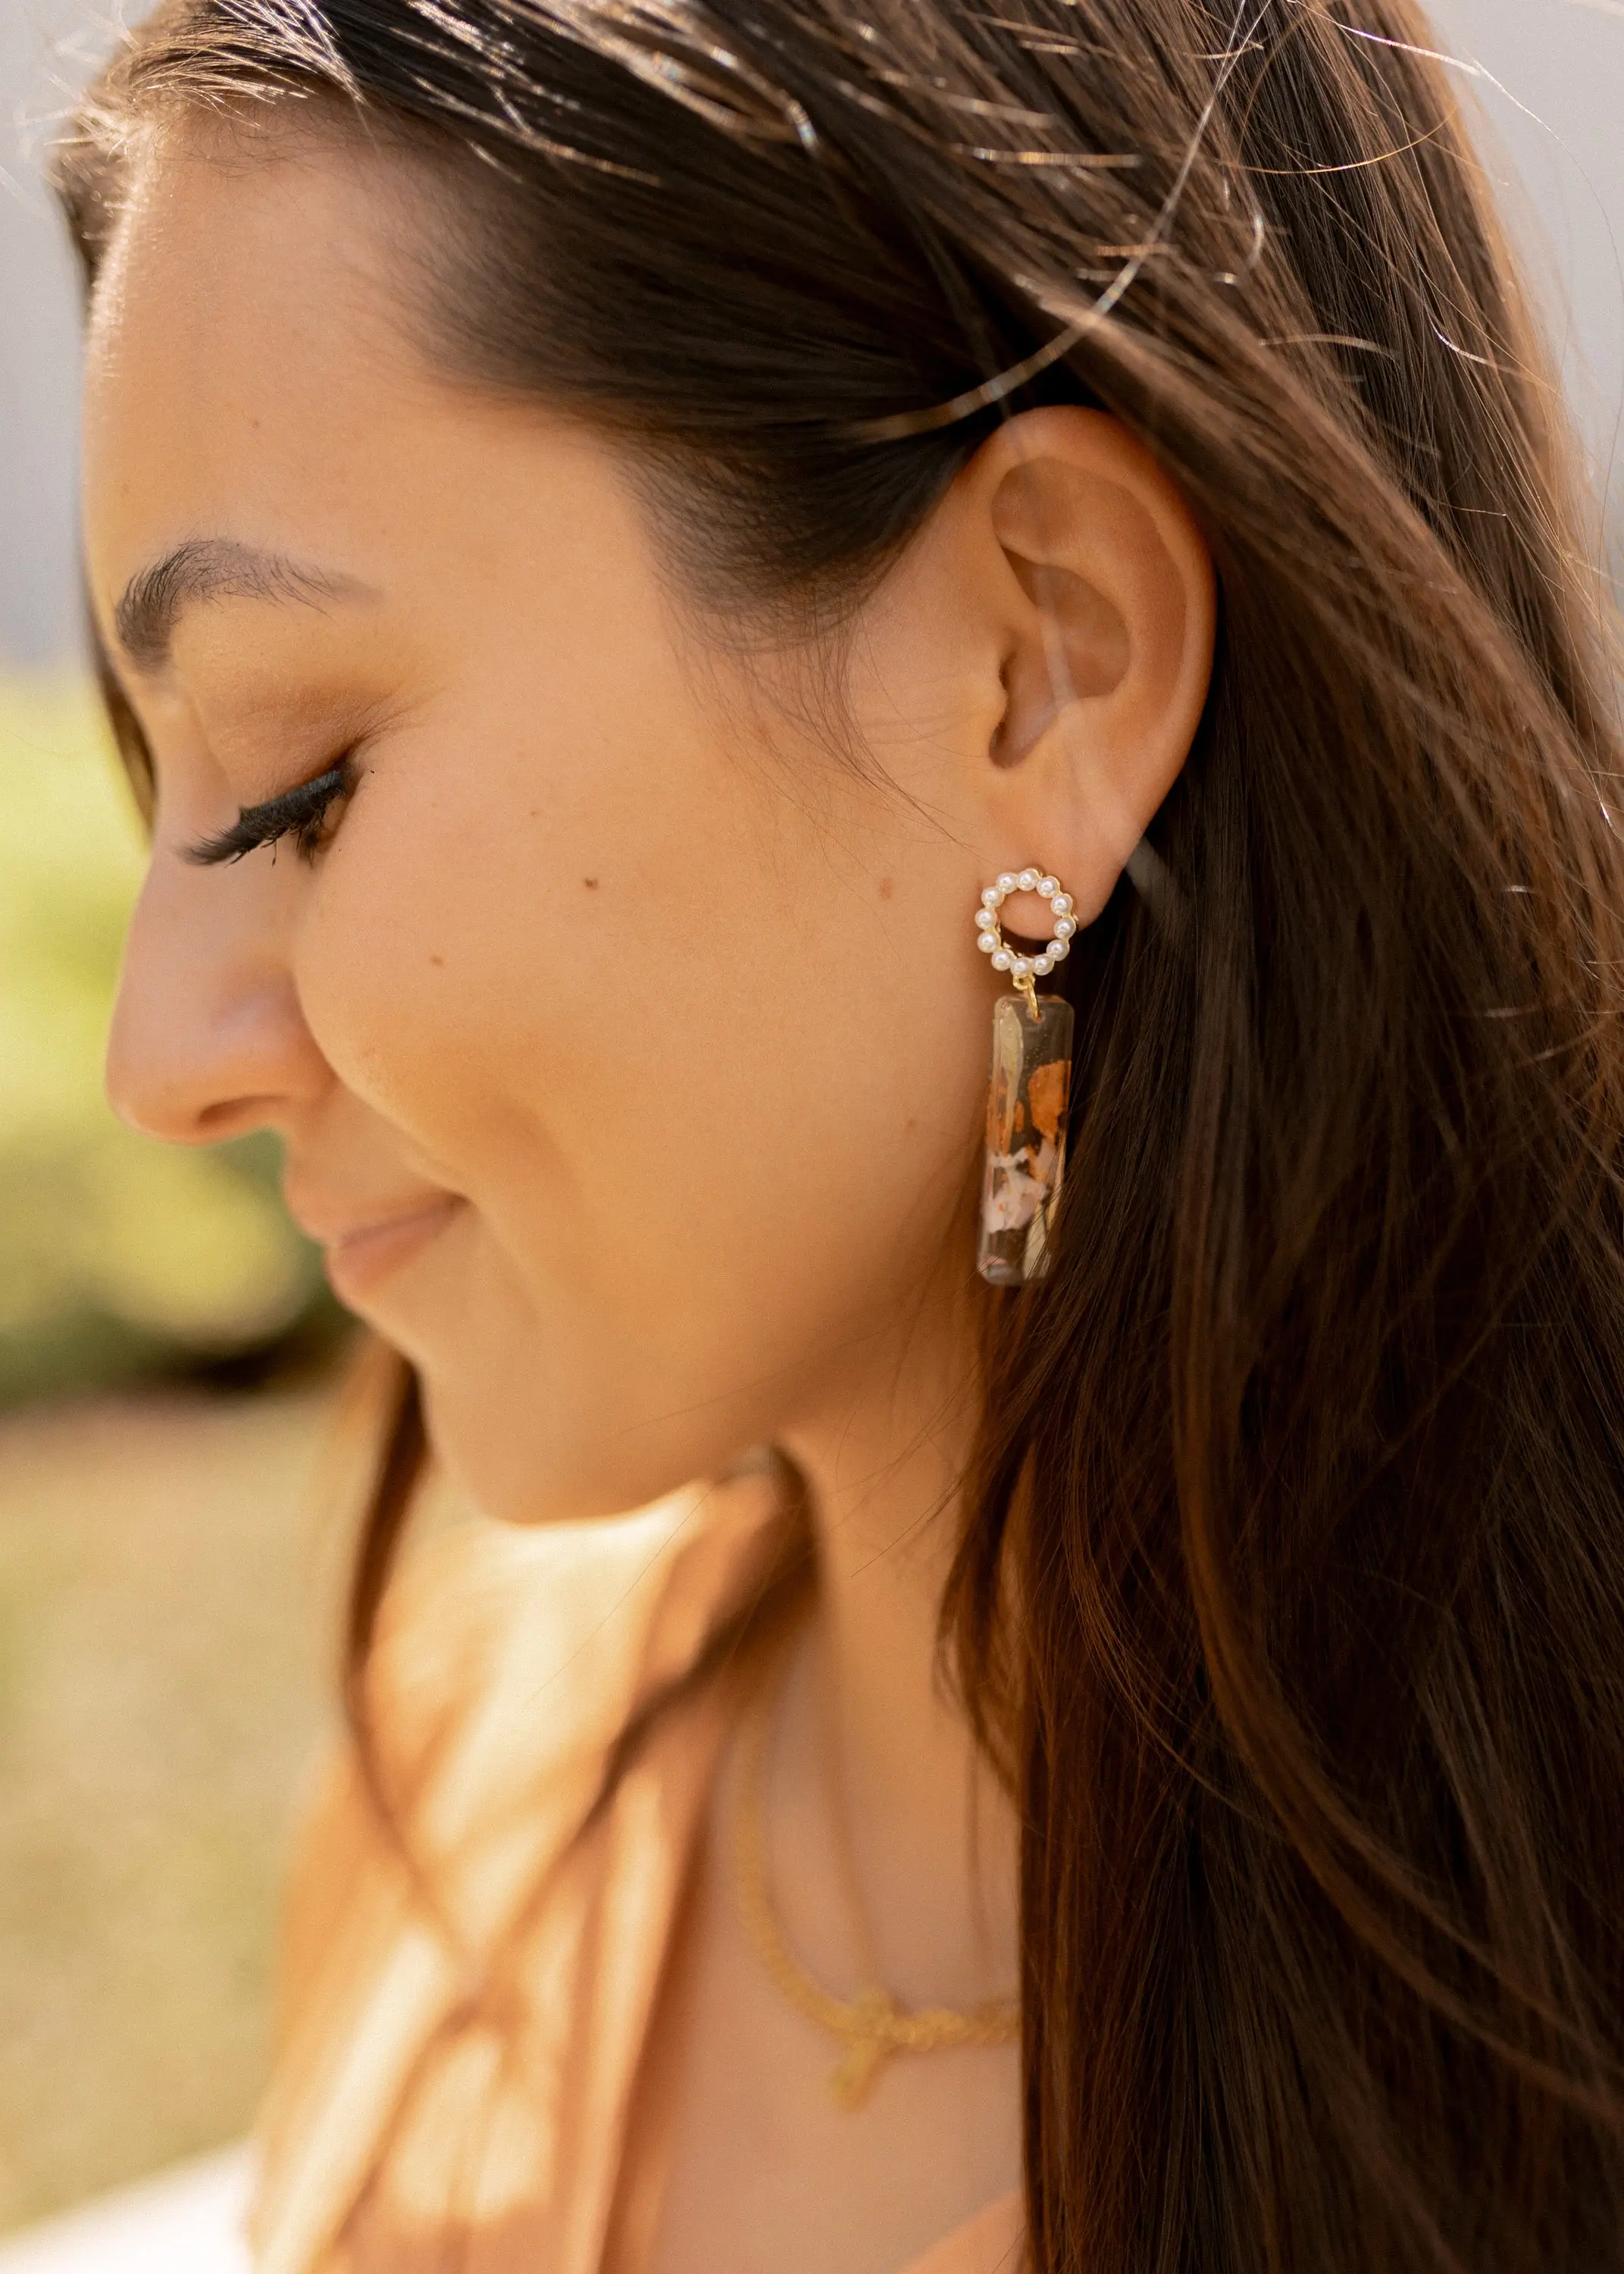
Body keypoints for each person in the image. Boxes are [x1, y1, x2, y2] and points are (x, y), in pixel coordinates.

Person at [53, 1, 1624, 2267]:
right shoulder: (487, 1773)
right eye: (166, 789)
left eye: (300, 786)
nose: (160, 1060)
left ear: (1040, 664)